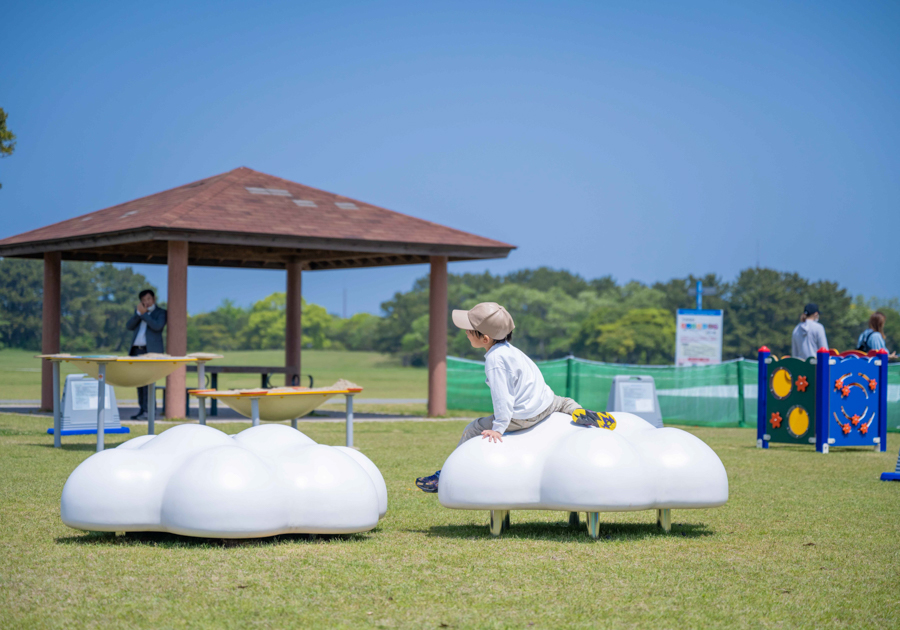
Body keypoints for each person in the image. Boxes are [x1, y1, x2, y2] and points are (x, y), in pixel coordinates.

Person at [415, 302, 605, 493]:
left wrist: (498, 428)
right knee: (564, 402)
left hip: (522, 417)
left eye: (470, 330)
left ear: (485, 338)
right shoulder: (512, 350)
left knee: (472, 429)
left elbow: (502, 399)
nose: (465, 332)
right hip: (546, 404)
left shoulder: (494, 360)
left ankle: (445, 475)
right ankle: (579, 412)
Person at [125, 289, 167, 419]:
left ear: (153, 299)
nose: (146, 302)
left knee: (149, 381)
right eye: (143, 300)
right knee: (139, 382)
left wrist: (144, 315)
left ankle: (150, 411)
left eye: (148, 299)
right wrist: (139, 314)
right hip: (137, 350)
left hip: (151, 351)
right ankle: (142, 410)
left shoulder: (161, 312)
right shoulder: (139, 313)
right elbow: (129, 326)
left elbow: (157, 326)